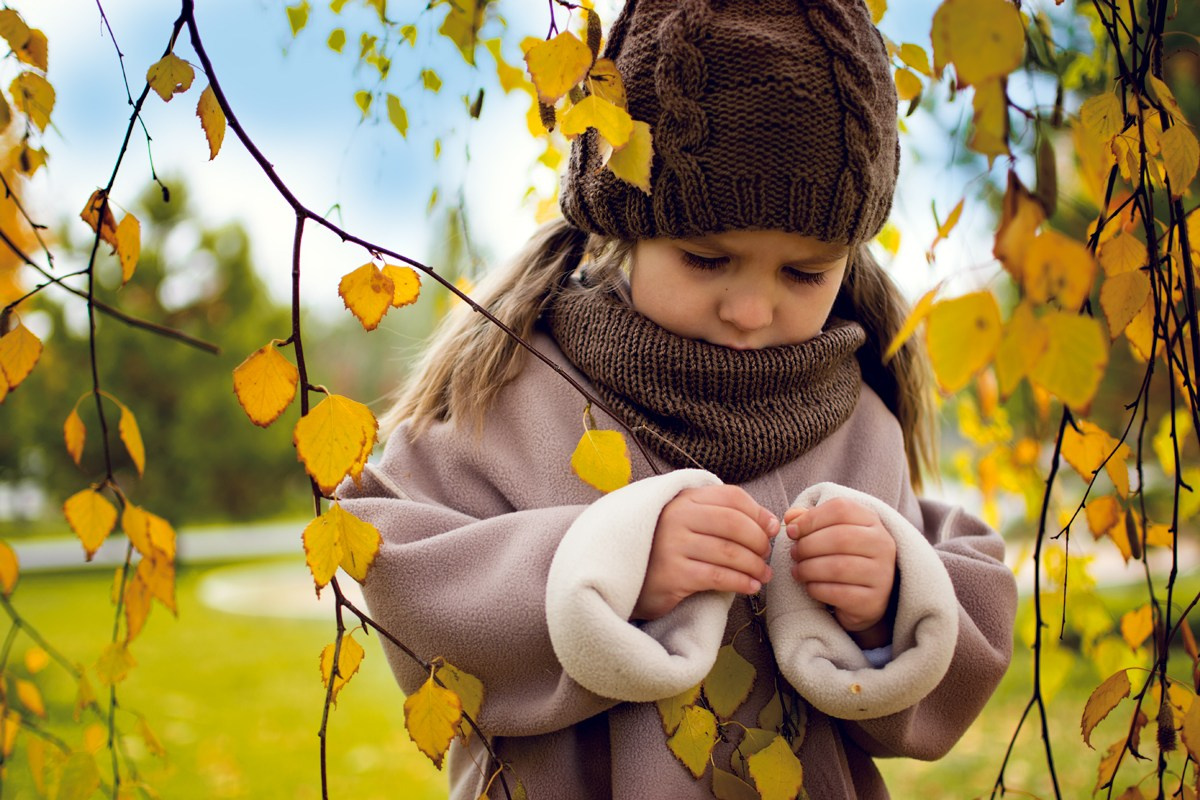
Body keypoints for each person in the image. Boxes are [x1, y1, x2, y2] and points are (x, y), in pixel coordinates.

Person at [337, 1, 1017, 797]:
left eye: (804, 273)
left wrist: (893, 600)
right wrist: (607, 564)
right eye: (705, 259)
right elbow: (408, 578)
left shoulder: (858, 422)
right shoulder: (518, 394)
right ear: (622, 226)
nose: (752, 310)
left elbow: (953, 644)